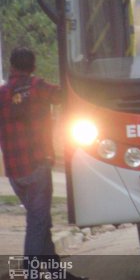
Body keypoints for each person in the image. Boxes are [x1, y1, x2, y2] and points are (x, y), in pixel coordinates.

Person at [0, 47, 88, 280]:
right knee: (37, 223)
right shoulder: (38, 86)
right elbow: (66, 96)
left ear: (11, 67)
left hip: (14, 172)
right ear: (34, 66)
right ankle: (31, 274)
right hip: (38, 165)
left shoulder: (2, 93)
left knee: (41, 220)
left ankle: (56, 273)